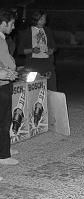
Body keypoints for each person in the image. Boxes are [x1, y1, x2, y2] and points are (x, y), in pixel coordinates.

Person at [18, 10, 57, 91]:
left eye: (44, 19)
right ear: (35, 19)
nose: (44, 21)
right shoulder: (27, 32)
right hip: (33, 65)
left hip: (47, 64)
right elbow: (20, 50)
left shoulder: (48, 31)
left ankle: (50, 103)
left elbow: (54, 46)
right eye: (41, 19)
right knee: (33, 89)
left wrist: (51, 50)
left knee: (51, 88)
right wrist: (32, 50)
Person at [0, 9, 19, 165]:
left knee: (6, 119)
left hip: (5, 84)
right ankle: (3, 155)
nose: (13, 27)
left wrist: (9, 71)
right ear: (3, 23)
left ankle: (4, 148)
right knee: (2, 121)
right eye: (11, 24)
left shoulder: (2, 38)